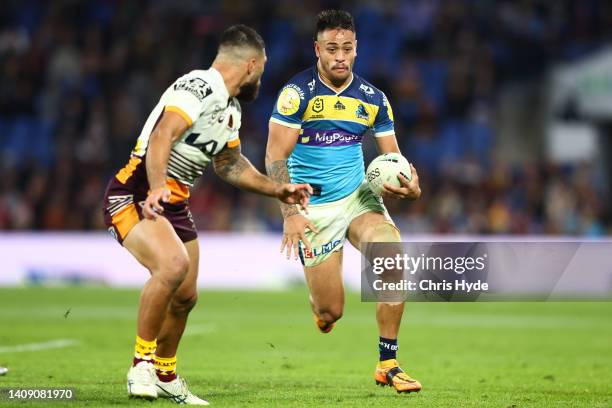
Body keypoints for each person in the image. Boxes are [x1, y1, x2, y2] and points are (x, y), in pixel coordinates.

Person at [103, 25, 312, 405]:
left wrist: (277, 188)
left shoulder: (230, 110)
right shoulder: (200, 86)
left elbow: (230, 165)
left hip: (175, 203)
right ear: (250, 65)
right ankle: (141, 364)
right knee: (170, 267)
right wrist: (154, 188)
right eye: (261, 71)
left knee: (185, 296)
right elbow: (163, 135)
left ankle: (166, 374)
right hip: (136, 193)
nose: (260, 79)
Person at [265, 10, 422, 393]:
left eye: (346, 49)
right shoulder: (297, 94)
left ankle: (388, 362)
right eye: (331, 48)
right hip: (313, 209)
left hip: (357, 198)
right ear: (317, 49)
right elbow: (274, 156)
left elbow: (393, 161)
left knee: (391, 256)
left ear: (356, 51)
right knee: (330, 310)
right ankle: (322, 311)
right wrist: (289, 214)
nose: (339, 56)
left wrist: (410, 187)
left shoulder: (373, 100)